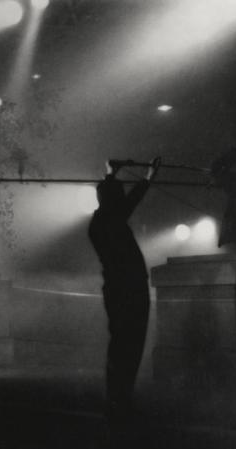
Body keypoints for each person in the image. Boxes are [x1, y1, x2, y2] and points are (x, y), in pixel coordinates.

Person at [88, 157, 161, 423]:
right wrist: (148, 177)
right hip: (127, 289)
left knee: (124, 345)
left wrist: (110, 175)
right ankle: (119, 401)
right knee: (127, 346)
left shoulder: (101, 221)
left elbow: (120, 202)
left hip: (121, 288)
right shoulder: (109, 219)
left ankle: (119, 399)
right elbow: (127, 203)